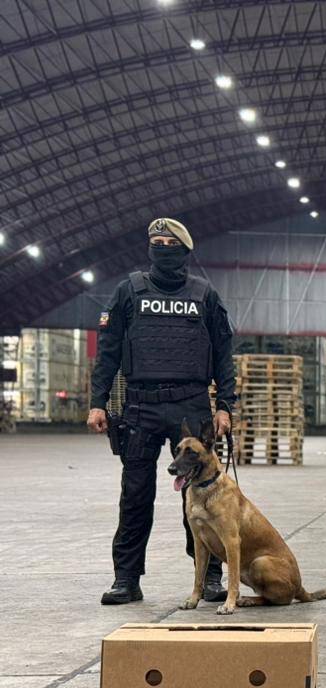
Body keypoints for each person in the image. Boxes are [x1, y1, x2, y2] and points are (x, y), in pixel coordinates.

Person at [86, 218, 237, 605]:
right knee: (135, 496)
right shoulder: (129, 291)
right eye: (157, 242)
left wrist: (225, 406)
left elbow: (223, 354)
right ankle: (126, 579)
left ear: (185, 251)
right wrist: (98, 402)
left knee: (205, 496)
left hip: (191, 404)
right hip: (141, 406)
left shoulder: (204, 295)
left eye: (170, 244)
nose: (163, 248)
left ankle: (211, 578)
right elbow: (108, 351)